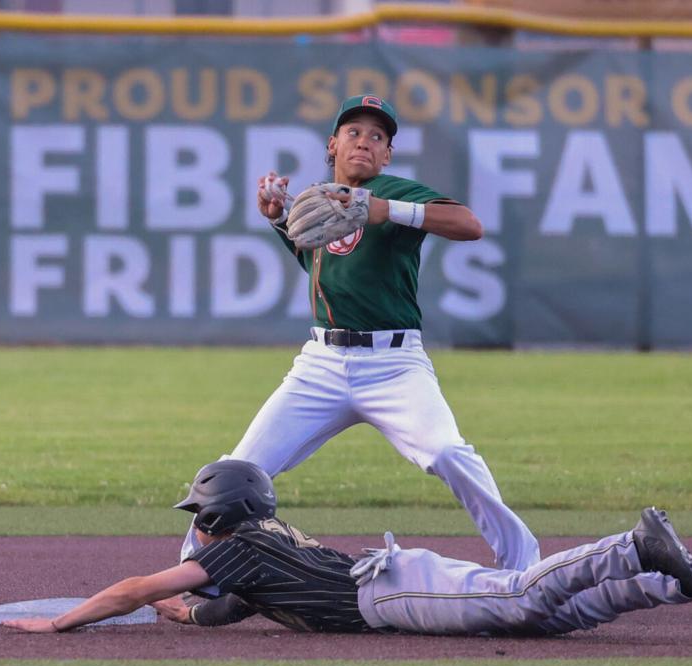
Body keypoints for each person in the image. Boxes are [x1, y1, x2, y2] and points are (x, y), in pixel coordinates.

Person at [180, 94, 538, 576]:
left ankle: (524, 568)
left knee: (449, 453)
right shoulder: (318, 200)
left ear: (388, 154)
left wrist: (385, 209)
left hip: (394, 364)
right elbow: (317, 264)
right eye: (354, 132)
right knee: (240, 466)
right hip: (321, 365)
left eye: (377, 137)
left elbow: (469, 225)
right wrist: (276, 217)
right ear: (332, 145)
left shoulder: (397, 194)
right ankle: (195, 574)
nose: (365, 142)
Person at [4, 460, 692, 637]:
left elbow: (136, 585)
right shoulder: (256, 550)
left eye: (199, 513)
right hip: (390, 575)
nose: (195, 525)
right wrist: (195, 619)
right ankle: (687, 579)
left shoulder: (234, 545)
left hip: (386, 591)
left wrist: (62, 620)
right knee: (549, 620)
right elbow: (237, 602)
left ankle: (633, 546)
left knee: (521, 594)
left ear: (221, 515)